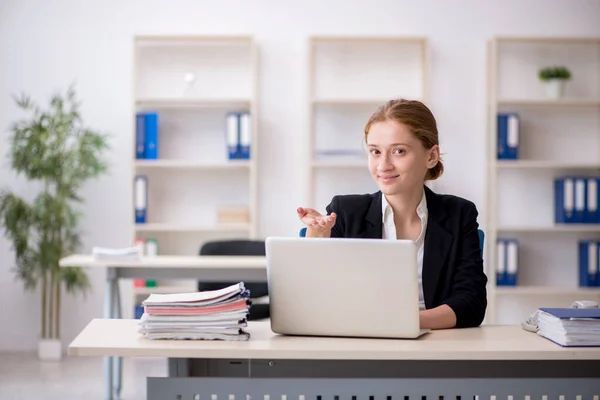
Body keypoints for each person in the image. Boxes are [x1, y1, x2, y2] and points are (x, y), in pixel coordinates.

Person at [297, 99, 487, 330]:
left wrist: (403, 322)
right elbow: (315, 300)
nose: (383, 165)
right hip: (360, 342)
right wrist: (317, 237)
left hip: (435, 344)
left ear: (431, 156)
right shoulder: (346, 212)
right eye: (375, 151)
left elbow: (471, 304)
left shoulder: (459, 214)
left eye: (399, 151)